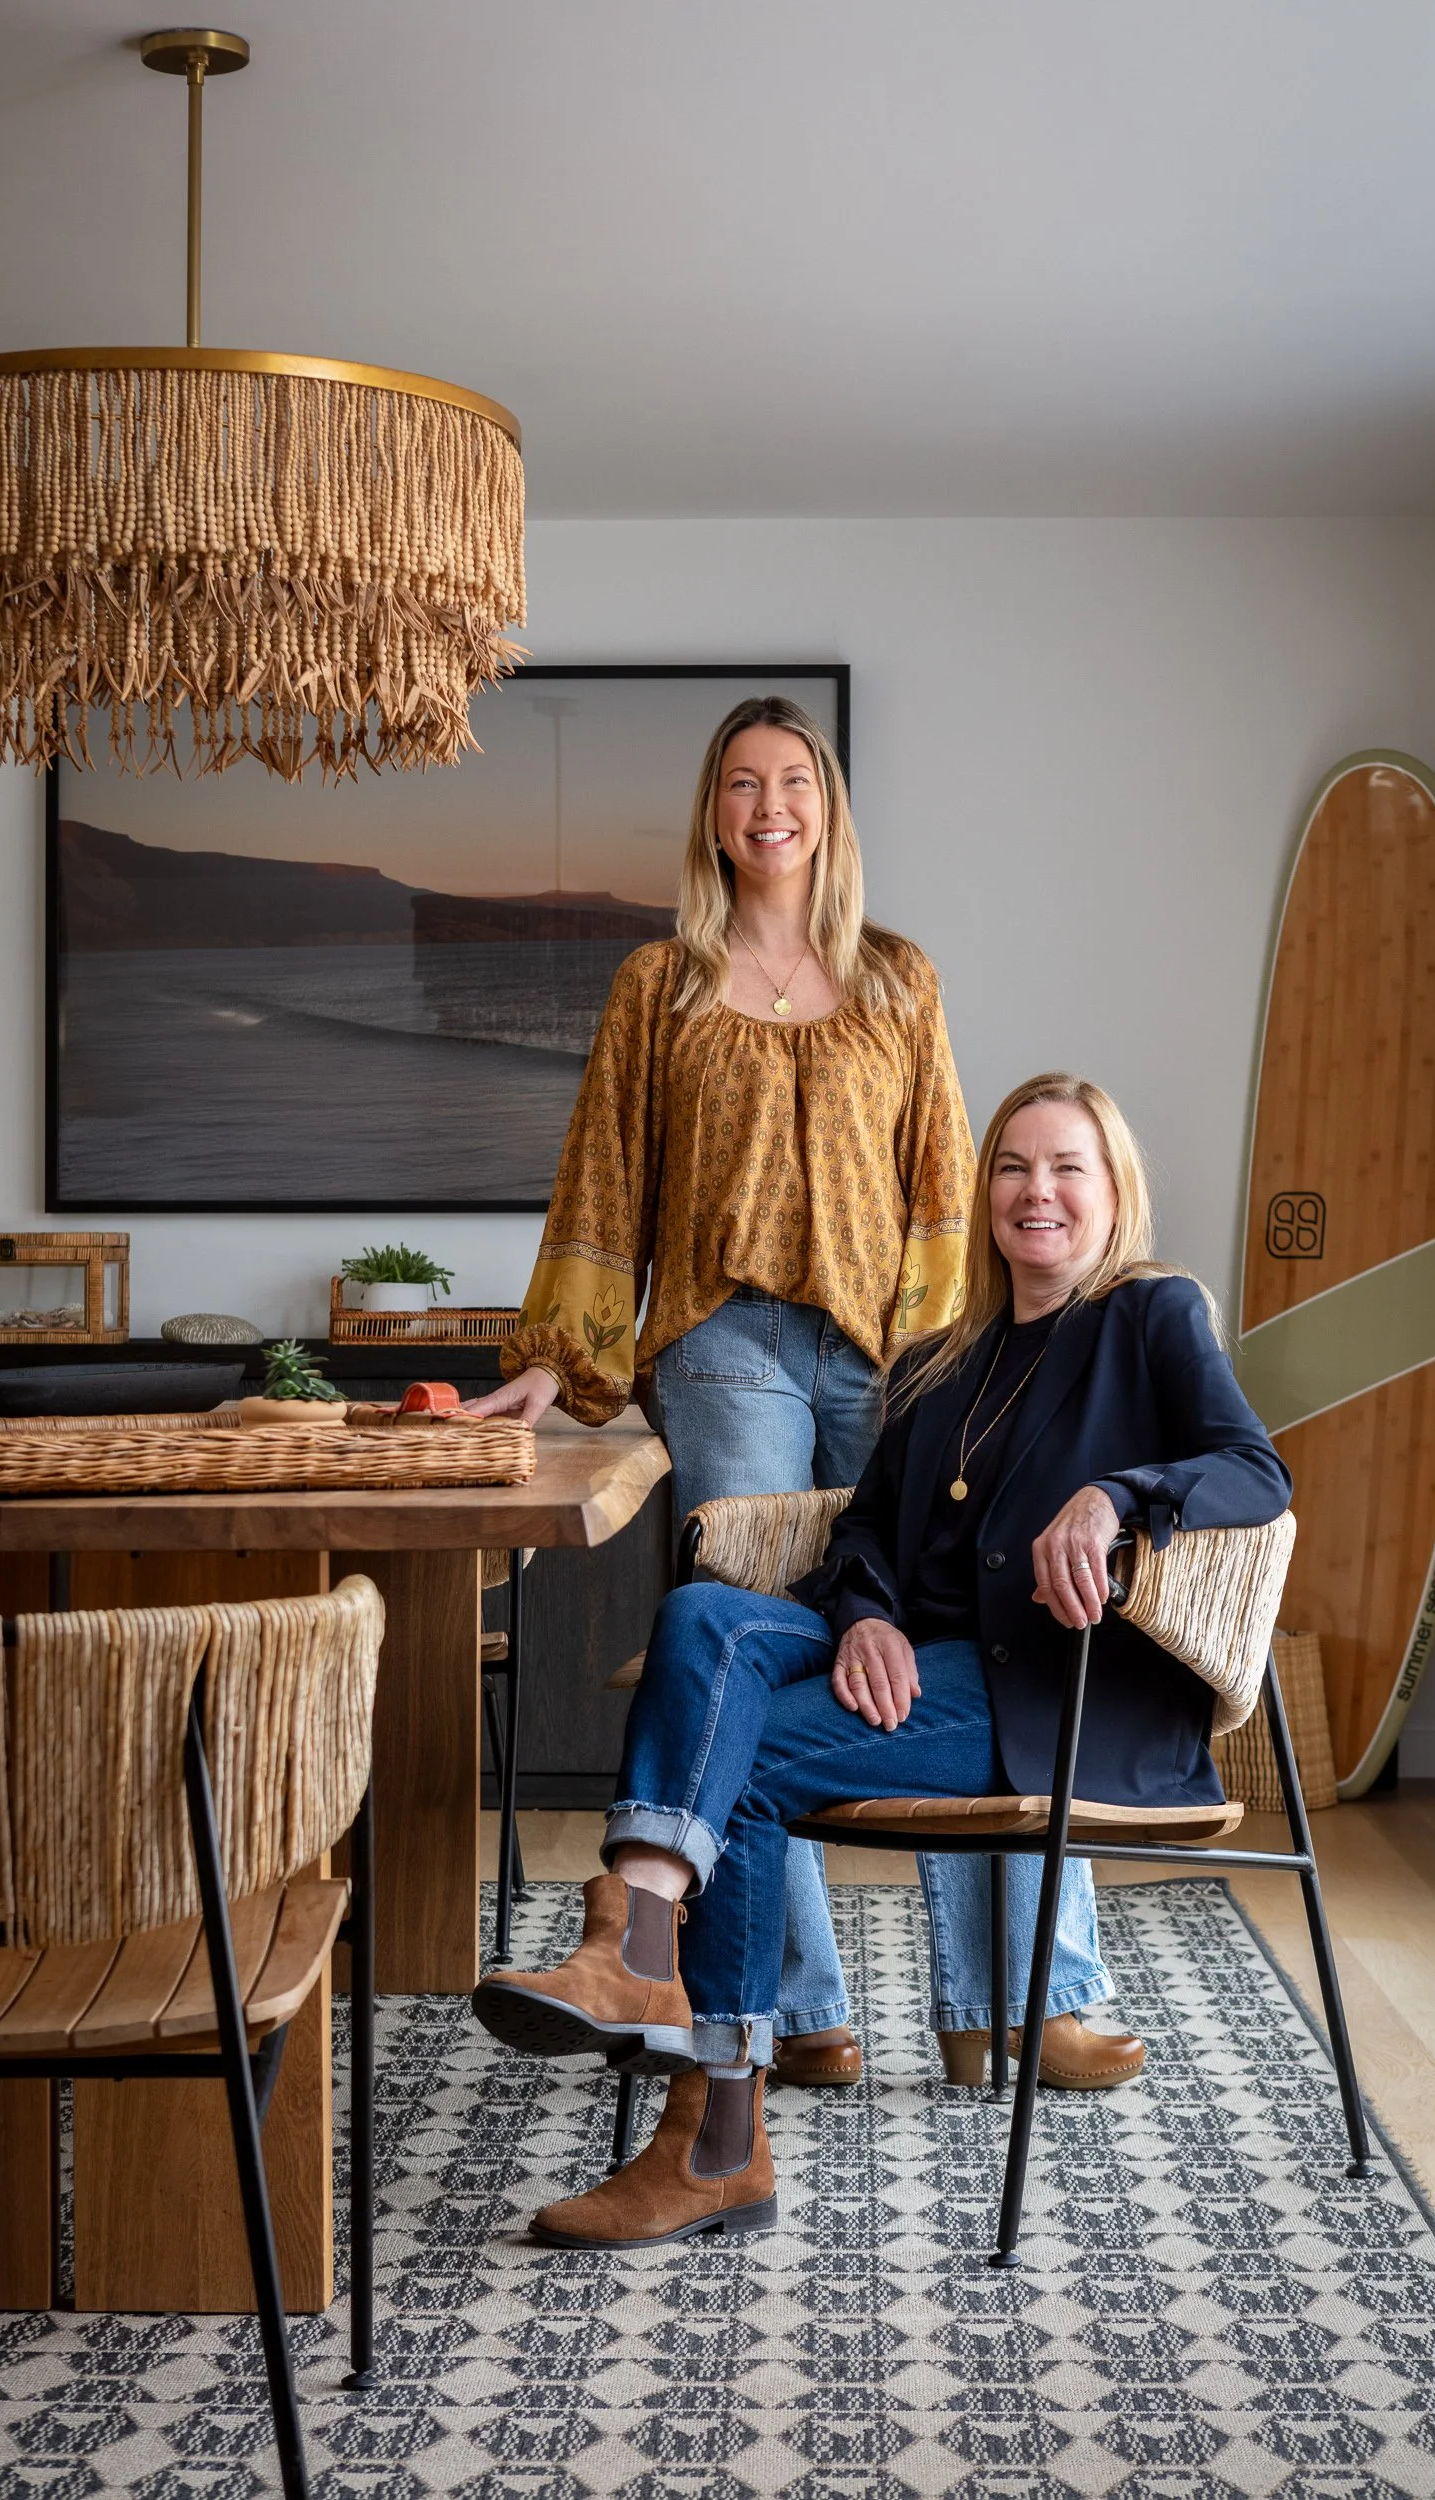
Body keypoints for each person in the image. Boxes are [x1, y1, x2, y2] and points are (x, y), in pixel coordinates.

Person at [472, 1072, 1292, 2248]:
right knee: (702, 1615)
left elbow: (1254, 1470)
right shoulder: (943, 1360)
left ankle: (712, 2135)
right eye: (1012, 1166)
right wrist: (864, 1615)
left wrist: (1112, 1497)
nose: (1036, 1190)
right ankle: (638, 1942)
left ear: (1113, 1191)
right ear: (983, 1192)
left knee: (742, 1763)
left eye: (1066, 1167)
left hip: (1037, 1686)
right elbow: (862, 1526)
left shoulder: (1148, 1316)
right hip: (907, 1652)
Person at [466, 694, 1097, 2087]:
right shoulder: (657, 984)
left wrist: (966, 1365)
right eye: (742, 783)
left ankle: (1009, 2000)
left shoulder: (897, 978)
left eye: (794, 780)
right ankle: (800, 2005)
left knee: (954, 1625)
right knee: (759, 1641)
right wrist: (553, 1356)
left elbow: (943, 1179)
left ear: (827, 807)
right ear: (712, 813)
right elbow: (603, 1174)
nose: (770, 806)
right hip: (723, 1347)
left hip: (896, 1354)